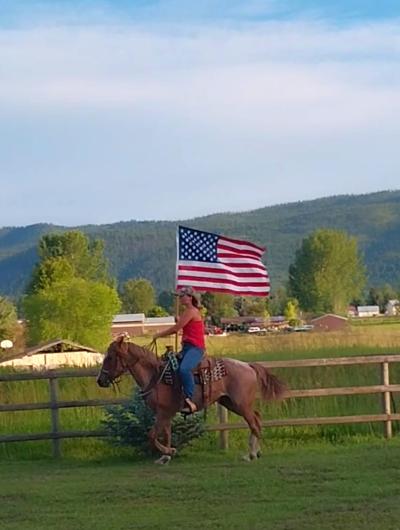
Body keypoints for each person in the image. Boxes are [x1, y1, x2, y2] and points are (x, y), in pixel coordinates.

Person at [152, 286, 205, 414]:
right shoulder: (188, 312)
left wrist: (159, 335)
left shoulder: (191, 311)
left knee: (184, 369)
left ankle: (189, 399)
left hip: (195, 348)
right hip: (187, 348)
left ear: (189, 297)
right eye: (179, 296)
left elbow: (176, 329)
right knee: (171, 367)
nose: (180, 298)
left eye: (182, 296)